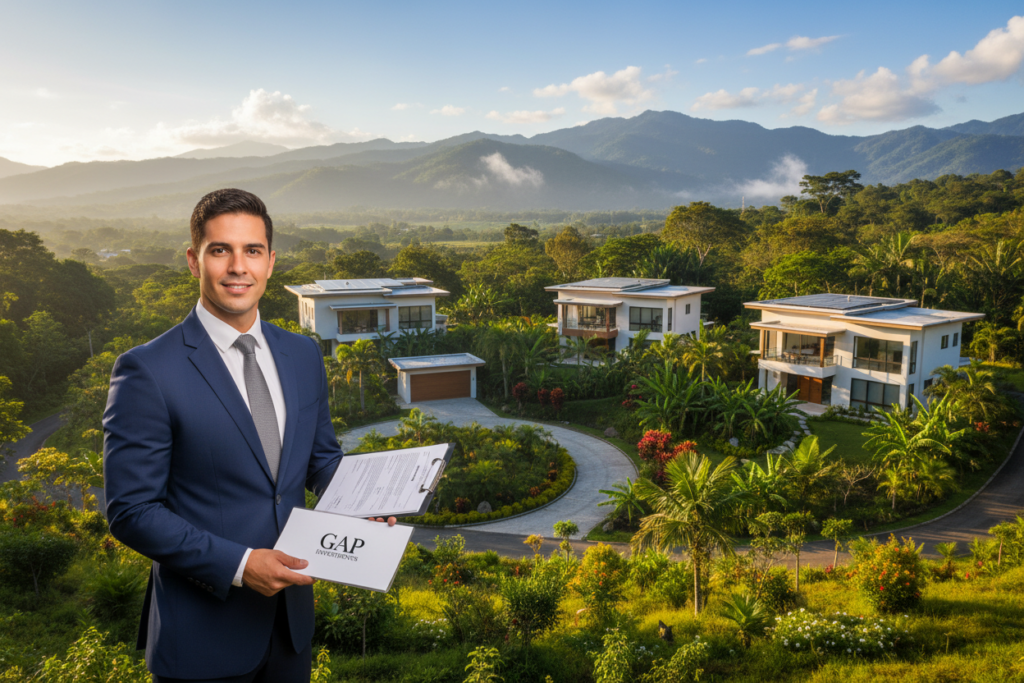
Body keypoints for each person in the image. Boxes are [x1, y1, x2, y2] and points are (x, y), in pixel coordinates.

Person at [103, 188, 394, 682]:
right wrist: (240, 564)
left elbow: (321, 458)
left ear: (271, 262)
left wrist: (365, 495)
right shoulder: (148, 370)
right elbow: (132, 512)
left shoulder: (303, 355)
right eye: (221, 250)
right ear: (195, 261)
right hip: (201, 639)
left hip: (289, 629)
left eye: (252, 251)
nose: (239, 266)